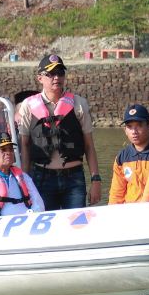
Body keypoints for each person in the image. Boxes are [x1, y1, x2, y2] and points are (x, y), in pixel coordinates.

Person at [16, 54, 103, 210]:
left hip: (74, 178)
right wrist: (24, 183)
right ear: (40, 78)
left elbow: (89, 146)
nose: (56, 77)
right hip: (42, 178)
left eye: (60, 73)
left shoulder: (79, 104)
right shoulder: (28, 105)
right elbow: (25, 145)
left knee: (76, 225)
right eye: (50, 74)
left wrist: (96, 180)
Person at [0, 132, 45, 218]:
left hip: (28, 225)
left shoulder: (22, 176)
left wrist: (30, 219)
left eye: (10, 149)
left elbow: (39, 204)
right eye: (3, 150)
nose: (8, 152)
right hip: (2, 228)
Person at [108, 103, 149, 204]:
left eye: (139, 125)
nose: (134, 131)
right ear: (125, 130)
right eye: (129, 127)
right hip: (131, 211)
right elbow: (116, 193)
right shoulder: (122, 157)